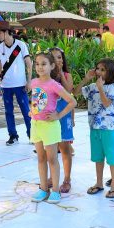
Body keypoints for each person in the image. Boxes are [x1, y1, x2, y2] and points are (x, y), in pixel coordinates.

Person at [28, 52, 76, 205]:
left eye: (44, 64)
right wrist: (32, 110)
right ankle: (43, 188)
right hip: (36, 125)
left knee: (52, 159)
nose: (40, 67)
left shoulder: (54, 84)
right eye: (37, 64)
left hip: (50, 127)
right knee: (41, 158)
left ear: (52, 66)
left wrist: (58, 115)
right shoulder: (34, 82)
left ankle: (55, 190)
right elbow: (36, 100)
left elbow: (72, 101)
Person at [81, 59, 114, 199]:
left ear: (110, 72)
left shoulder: (113, 87)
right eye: (97, 68)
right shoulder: (92, 86)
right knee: (98, 157)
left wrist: (100, 88)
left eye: (102, 69)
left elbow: (107, 104)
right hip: (94, 127)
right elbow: (74, 92)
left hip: (108, 128)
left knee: (112, 157)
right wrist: (86, 78)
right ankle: (99, 183)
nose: (98, 72)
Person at [0, 20, 33, 146]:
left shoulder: (21, 45)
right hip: (6, 85)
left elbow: (29, 64)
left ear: (5, 32)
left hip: (20, 84)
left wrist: (29, 81)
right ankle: (13, 135)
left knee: (26, 110)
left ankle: (32, 135)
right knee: (8, 111)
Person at [51, 47, 76, 193]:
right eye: (53, 57)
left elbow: (69, 91)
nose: (57, 60)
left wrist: (60, 74)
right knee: (51, 149)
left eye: (59, 57)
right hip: (50, 117)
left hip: (64, 115)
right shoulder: (46, 77)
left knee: (65, 148)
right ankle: (52, 177)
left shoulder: (67, 75)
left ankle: (67, 179)